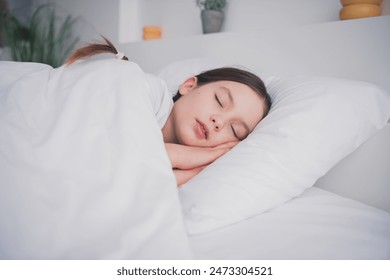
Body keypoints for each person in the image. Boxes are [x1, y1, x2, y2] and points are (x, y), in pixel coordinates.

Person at [66, 37, 272, 186]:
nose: (219, 121)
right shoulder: (149, 91)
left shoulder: (174, 171)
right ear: (189, 86)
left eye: (235, 130)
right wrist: (200, 155)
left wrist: (198, 168)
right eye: (220, 100)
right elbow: (115, 153)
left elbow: (128, 182)